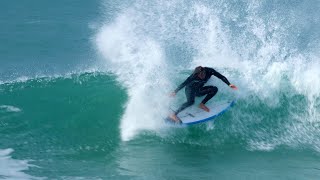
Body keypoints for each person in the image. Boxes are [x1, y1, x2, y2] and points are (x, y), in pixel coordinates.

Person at [169, 66, 238, 123]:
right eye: (198, 76)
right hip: (190, 89)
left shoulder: (210, 71)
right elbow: (184, 83)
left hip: (199, 90)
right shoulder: (193, 76)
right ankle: (173, 115)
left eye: (201, 75)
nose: (200, 77)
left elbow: (221, 76)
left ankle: (202, 104)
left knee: (214, 89)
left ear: (204, 71)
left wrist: (229, 84)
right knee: (191, 102)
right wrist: (175, 91)